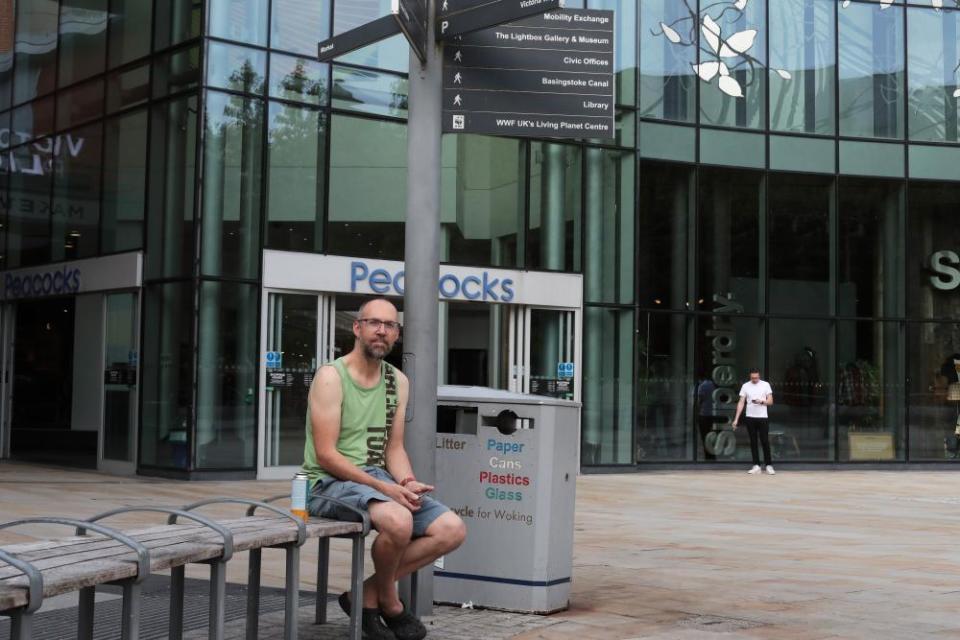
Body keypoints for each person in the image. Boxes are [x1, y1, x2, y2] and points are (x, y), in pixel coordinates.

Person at [303, 297, 466, 640]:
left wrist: (405, 481)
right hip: (325, 483)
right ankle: (390, 603)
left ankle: (362, 597)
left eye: (389, 325)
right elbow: (326, 455)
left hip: (375, 481)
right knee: (398, 519)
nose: (381, 331)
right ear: (357, 327)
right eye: (374, 323)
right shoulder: (332, 377)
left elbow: (393, 449)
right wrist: (386, 489)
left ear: (396, 334)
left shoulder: (397, 381)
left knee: (451, 529)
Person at [732, 368, 775, 475]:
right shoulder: (745, 386)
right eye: (752, 378)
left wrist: (762, 401)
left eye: (756, 378)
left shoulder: (765, 385)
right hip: (750, 417)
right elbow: (741, 402)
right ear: (750, 377)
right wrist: (736, 419)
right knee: (753, 441)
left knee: (765, 441)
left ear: (759, 376)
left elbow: (771, 401)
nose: (755, 379)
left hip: (762, 417)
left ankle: (769, 465)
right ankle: (756, 465)